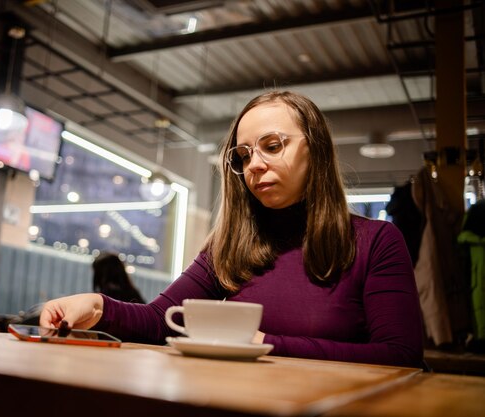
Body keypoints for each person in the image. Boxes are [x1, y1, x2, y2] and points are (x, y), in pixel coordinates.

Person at [40, 90, 424, 368]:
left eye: (272, 146)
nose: (254, 165)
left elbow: (400, 356)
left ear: (317, 149)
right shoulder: (231, 246)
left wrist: (262, 344)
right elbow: (161, 321)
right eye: (243, 155)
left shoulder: (376, 242)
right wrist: (97, 305)